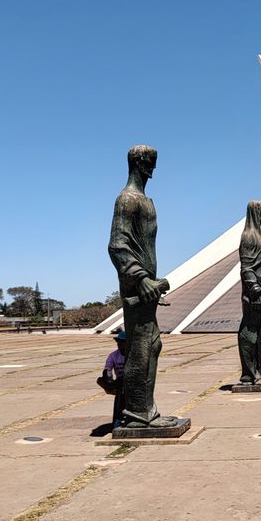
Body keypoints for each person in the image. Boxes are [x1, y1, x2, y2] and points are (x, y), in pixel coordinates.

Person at [109, 144, 178, 430]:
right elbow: (117, 245)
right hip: (137, 286)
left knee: (153, 345)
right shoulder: (127, 199)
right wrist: (141, 278)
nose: (154, 168)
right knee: (141, 347)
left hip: (147, 286)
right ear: (138, 163)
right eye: (150, 162)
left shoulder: (146, 201)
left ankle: (146, 410)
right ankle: (139, 413)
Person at [237, 200, 261, 385]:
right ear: (255, 213)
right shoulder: (249, 236)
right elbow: (246, 268)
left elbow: (258, 266)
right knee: (251, 332)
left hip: (259, 291)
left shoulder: (258, 236)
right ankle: (249, 374)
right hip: (253, 295)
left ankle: (256, 372)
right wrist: (255, 291)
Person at [101, 330, 128, 424]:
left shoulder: (133, 354)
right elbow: (108, 369)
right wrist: (108, 380)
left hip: (132, 381)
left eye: (122, 342)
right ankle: (118, 419)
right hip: (120, 381)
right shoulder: (113, 356)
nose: (120, 344)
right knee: (120, 394)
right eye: (118, 342)